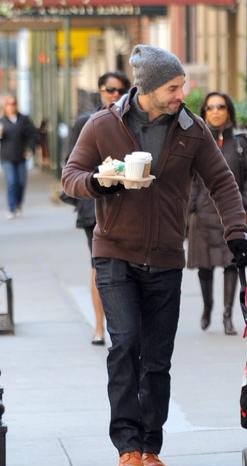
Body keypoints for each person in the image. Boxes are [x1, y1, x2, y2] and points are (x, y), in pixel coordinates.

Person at [62, 45, 247, 466]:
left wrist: (236, 232)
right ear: (146, 88)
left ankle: (151, 446)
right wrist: (100, 183)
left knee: (157, 359)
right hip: (114, 252)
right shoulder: (102, 125)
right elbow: (70, 176)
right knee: (126, 344)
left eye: (182, 84)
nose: (180, 93)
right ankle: (127, 447)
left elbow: (222, 181)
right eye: (173, 86)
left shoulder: (191, 128)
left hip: (167, 257)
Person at [63, 71, 131, 345]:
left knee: (123, 266)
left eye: (119, 90)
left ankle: (121, 326)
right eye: (108, 89)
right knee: (99, 265)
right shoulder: (88, 122)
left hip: (126, 203)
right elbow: (71, 165)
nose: (114, 94)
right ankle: (100, 327)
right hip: (94, 205)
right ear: (100, 91)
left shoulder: (131, 121)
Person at [187, 91, 247, 335]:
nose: (216, 111)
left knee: (231, 264)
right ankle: (208, 307)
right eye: (210, 108)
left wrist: (243, 203)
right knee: (205, 266)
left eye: (221, 106)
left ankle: (228, 315)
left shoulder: (241, 143)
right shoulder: (195, 140)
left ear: (228, 110)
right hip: (201, 215)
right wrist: (191, 205)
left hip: (229, 215)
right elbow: (186, 177)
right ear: (204, 113)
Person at [0, 94, 38, 219]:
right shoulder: (2, 121)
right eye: (9, 104)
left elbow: (33, 135)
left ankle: (18, 204)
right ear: (5, 106)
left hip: (21, 155)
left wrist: (30, 149)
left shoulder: (23, 119)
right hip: (7, 157)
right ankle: (12, 208)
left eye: (14, 103)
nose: (11, 106)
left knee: (21, 183)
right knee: (12, 182)